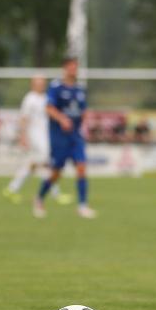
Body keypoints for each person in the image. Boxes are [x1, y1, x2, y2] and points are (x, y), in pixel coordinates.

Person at [33, 57, 96, 219]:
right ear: (65, 68)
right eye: (71, 67)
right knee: (56, 173)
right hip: (59, 137)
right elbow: (49, 108)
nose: (74, 70)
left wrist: (86, 118)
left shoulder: (80, 89)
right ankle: (39, 199)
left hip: (75, 136)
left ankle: (82, 206)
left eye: (76, 67)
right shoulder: (56, 87)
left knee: (81, 167)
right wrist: (62, 119)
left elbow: (83, 111)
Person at [3, 75, 71, 205]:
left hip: (46, 135)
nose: (41, 85)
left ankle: (12, 188)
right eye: (38, 83)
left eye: (43, 82)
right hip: (35, 135)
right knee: (47, 162)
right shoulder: (30, 99)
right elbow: (24, 118)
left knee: (34, 164)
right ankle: (55, 193)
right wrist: (23, 136)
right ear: (33, 84)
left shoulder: (46, 98)